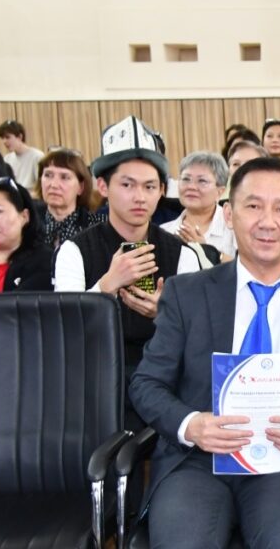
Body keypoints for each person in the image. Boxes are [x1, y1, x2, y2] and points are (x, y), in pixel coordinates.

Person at [129, 157, 280, 548]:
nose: (267, 222)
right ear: (229, 214)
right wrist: (191, 425)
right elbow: (146, 383)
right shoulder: (187, 292)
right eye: (253, 206)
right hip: (198, 460)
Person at [54, 116, 201, 426]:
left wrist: (164, 315)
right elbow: (63, 331)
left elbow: (199, 337)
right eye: (127, 185)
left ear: (162, 190)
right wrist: (106, 287)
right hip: (93, 379)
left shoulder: (182, 254)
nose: (139, 197)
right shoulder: (74, 251)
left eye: (150, 186)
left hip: (163, 380)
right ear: (103, 186)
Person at [161, 151, 237, 260]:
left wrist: (208, 252)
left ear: (220, 191)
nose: (191, 187)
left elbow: (247, 267)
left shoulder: (234, 226)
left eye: (202, 181)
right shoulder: (164, 231)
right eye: (186, 179)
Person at [36, 149, 105, 249]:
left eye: (64, 177)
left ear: (80, 187)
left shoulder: (98, 226)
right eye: (48, 175)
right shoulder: (28, 224)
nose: (54, 185)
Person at [0, 120, 45, 191]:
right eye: (2, 138)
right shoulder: (7, 159)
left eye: (7, 137)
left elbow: (41, 185)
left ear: (20, 137)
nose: (4, 141)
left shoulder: (37, 156)